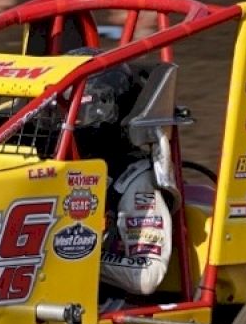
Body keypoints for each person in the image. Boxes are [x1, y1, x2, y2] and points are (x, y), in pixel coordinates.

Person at [68, 49, 180, 304]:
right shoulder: (52, 161)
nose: (65, 120)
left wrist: (72, 258)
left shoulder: (133, 180)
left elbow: (147, 274)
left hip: (104, 310)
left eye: (77, 109)